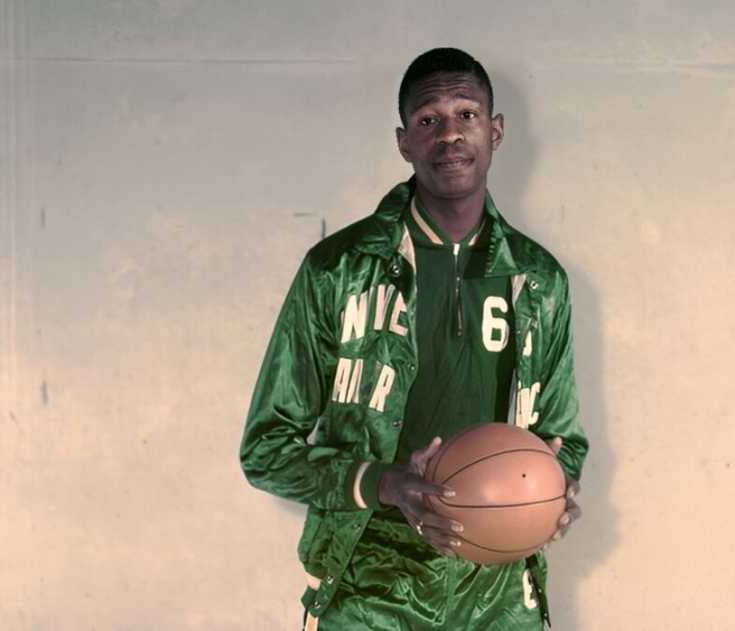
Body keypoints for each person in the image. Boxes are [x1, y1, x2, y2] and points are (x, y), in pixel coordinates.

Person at [240, 47, 587, 630]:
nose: (450, 135)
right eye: (429, 120)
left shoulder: (541, 281)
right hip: (369, 583)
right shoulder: (338, 269)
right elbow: (267, 450)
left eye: (466, 115)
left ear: (496, 131)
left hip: (498, 590)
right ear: (404, 142)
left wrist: (549, 494)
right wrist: (385, 482)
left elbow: (563, 440)